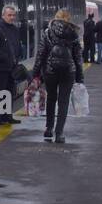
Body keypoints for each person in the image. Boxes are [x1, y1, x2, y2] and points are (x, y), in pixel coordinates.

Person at [32, 8, 84, 144]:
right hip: (68, 71)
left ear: (56, 17)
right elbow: (78, 58)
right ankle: (59, 133)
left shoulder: (48, 32)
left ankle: (48, 128)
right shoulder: (73, 34)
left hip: (50, 71)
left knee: (51, 99)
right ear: (68, 18)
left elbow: (41, 54)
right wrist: (80, 78)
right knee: (63, 101)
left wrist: (35, 74)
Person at [0, 4, 23, 125]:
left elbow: (17, 44)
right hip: (1, 67)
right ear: (3, 15)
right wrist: (4, 57)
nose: (12, 17)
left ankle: (7, 116)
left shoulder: (15, 29)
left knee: (9, 91)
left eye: (13, 15)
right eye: (9, 15)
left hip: (12, 66)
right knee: (0, 91)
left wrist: (18, 56)